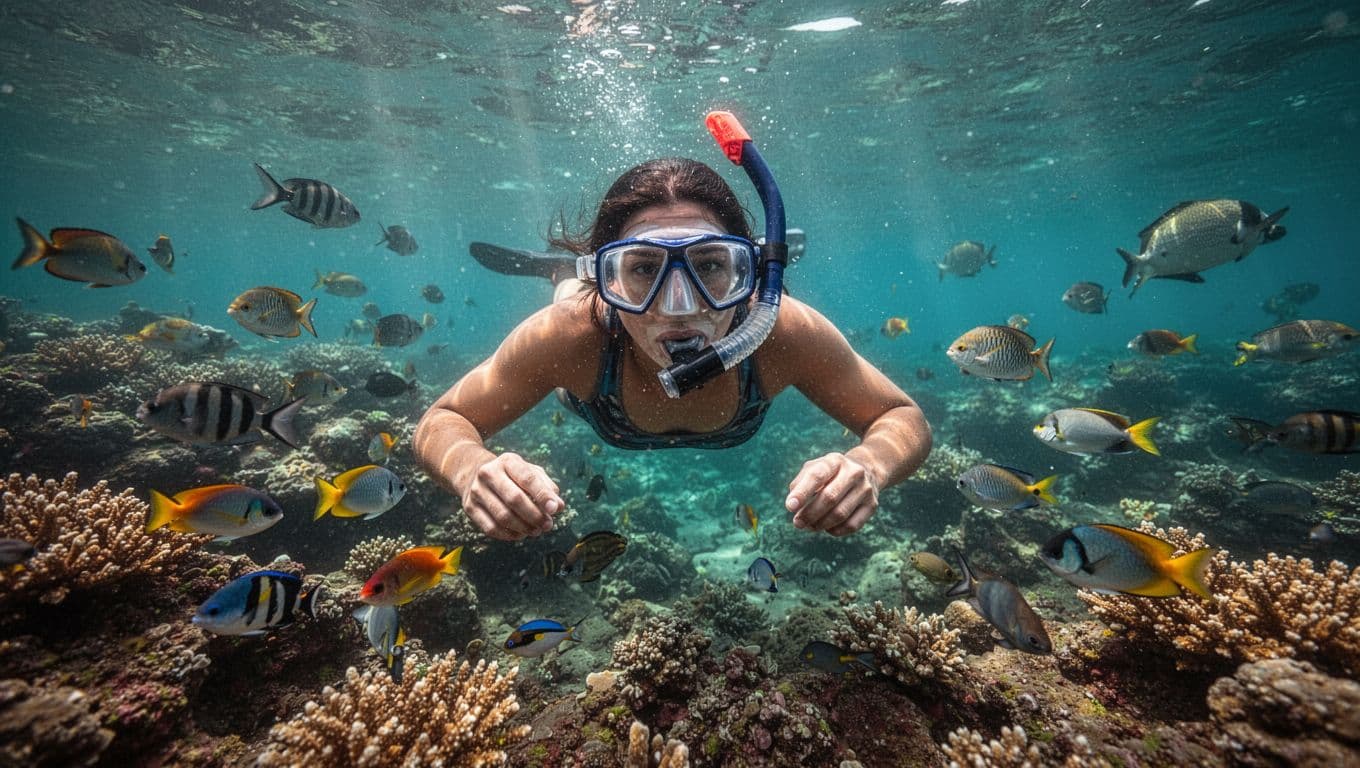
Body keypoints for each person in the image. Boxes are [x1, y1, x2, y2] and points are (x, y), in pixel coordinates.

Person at [414, 156, 931, 541]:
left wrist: (871, 465)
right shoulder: (572, 336)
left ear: (748, 273)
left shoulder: (780, 332)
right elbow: (443, 421)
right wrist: (469, 469)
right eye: (641, 268)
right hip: (588, 344)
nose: (680, 307)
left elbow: (901, 417)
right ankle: (565, 272)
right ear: (608, 278)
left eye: (709, 265)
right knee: (570, 300)